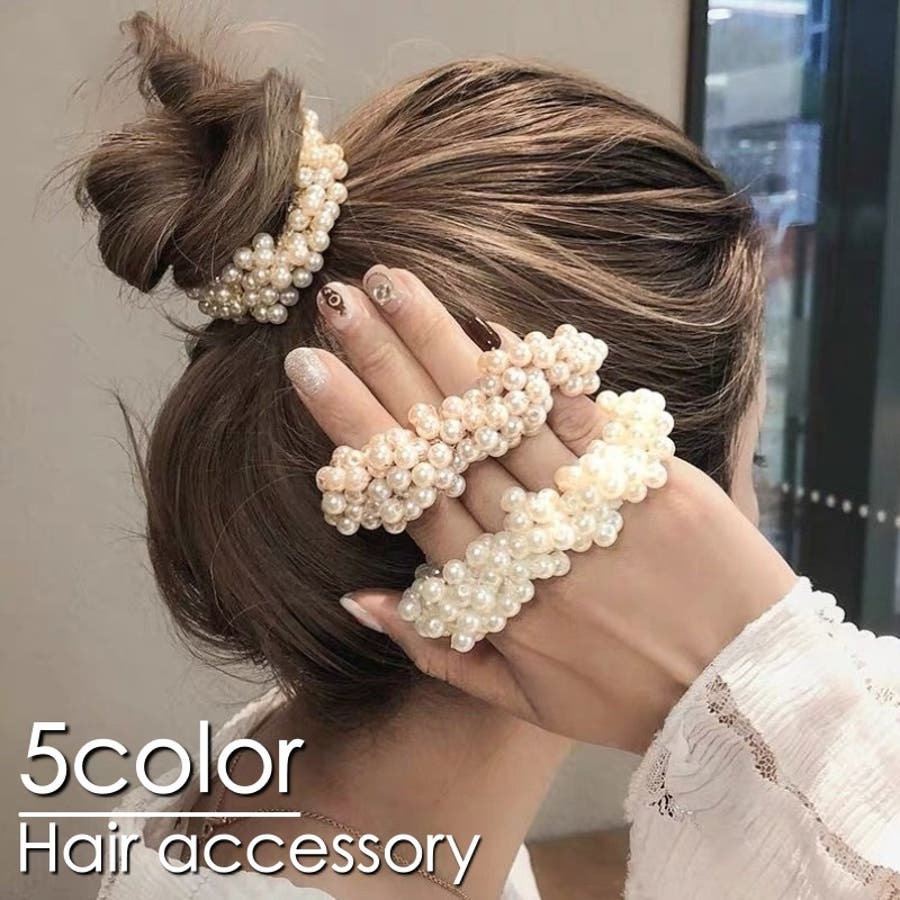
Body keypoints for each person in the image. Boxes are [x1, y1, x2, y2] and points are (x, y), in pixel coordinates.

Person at [78, 12, 898, 900]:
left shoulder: (265, 786)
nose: (756, 518)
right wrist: (769, 706)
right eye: (752, 463)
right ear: (609, 511)